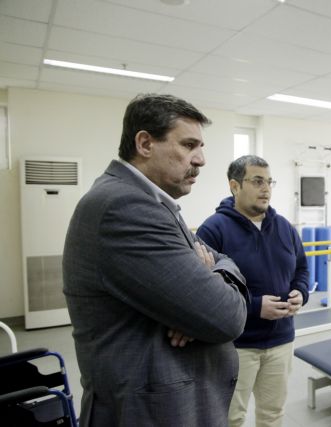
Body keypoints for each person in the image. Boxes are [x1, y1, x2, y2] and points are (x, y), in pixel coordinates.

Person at [62, 94, 249, 427]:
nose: (201, 159)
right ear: (145, 143)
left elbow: (221, 260)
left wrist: (206, 284)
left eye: (200, 147)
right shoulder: (125, 207)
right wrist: (202, 305)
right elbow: (226, 316)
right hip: (150, 413)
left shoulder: (151, 203)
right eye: (189, 145)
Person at [197, 155, 309, 427]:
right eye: (257, 181)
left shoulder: (285, 228)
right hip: (236, 345)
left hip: (281, 340)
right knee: (230, 418)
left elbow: (302, 269)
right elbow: (203, 291)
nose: (266, 188)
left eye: (269, 182)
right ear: (234, 186)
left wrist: (301, 292)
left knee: (272, 414)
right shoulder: (213, 230)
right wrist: (255, 306)